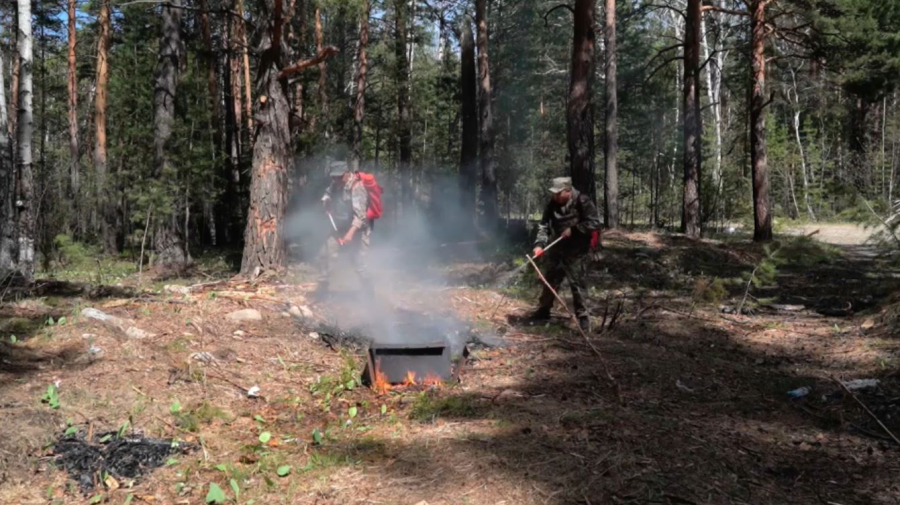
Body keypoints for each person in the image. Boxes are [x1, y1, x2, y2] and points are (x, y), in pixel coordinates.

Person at [530, 176, 601, 333]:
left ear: (568, 191)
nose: (555, 197)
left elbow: (595, 223)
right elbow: (544, 226)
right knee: (550, 279)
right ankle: (544, 311)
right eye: (553, 193)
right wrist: (539, 244)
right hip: (557, 248)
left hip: (577, 250)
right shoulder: (552, 204)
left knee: (577, 284)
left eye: (558, 193)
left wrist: (574, 230)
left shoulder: (582, 201)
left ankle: (583, 319)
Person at [319, 160, 373, 295]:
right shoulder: (335, 183)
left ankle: (369, 293)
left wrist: (350, 234)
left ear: (347, 173)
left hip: (358, 229)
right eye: (333, 176)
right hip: (339, 227)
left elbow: (360, 216)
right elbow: (328, 193)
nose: (336, 179)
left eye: (339, 176)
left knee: (359, 262)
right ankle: (323, 287)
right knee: (325, 254)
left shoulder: (357, 187)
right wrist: (325, 199)